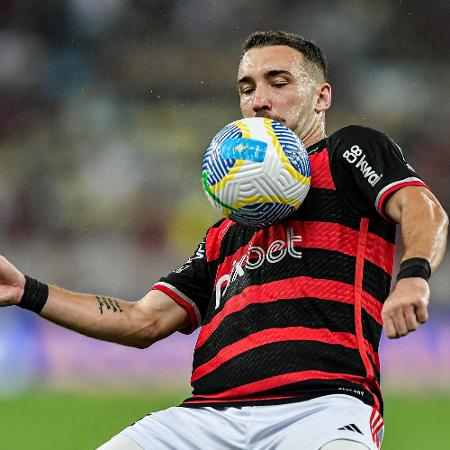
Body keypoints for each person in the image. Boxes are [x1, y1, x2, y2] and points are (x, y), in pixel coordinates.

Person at [0, 31, 448, 450]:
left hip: (323, 405)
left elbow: (421, 207)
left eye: (278, 83)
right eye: (248, 88)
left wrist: (412, 276)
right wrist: (26, 290)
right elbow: (142, 321)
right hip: (207, 416)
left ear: (321, 96)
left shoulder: (348, 153)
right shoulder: (224, 231)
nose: (260, 101)